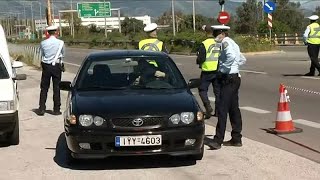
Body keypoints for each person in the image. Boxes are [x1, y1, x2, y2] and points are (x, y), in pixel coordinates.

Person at [207, 25, 246, 150]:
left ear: (222, 33)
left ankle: (218, 140)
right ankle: (236, 138)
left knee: (222, 109)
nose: (215, 36)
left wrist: (223, 69)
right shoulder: (233, 42)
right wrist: (234, 67)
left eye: (216, 33)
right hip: (235, 78)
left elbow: (232, 57)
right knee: (234, 109)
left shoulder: (225, 43)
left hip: (228, 78)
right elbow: (242, 59)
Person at [37, 25, 65, 116]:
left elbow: (42, 54)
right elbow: (63, 54)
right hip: (56, 66)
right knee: (56, 88)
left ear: (48, 33)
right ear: (56, 32)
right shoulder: (60, 43)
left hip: (46, 66)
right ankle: (56, 109)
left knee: (44, 88)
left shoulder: (43, 43)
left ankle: (41, 108)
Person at [196, 24, 221, 118]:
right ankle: (218, 112)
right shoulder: (218, 42)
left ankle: (208, 107)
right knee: (218, 92)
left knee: (202, 90)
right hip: (217, 70)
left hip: (207, 71)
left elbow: (200, 59)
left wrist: (199, 62)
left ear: (206, 32)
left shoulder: (204, 43)